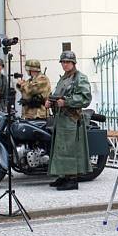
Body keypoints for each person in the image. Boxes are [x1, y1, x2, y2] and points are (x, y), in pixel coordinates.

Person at [45, 50, 92, 191]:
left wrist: (66, 102)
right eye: (63, 62)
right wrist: (50, 102)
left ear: (73, 63)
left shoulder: (80, 78)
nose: (64, 64)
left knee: (70, 149)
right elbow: (57, 96)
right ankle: (63, 175)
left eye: (67, 62)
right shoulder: (63, 78)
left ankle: (72, 180)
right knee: (60, 149)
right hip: (61, 119)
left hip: (71, 119)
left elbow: (85, 98)